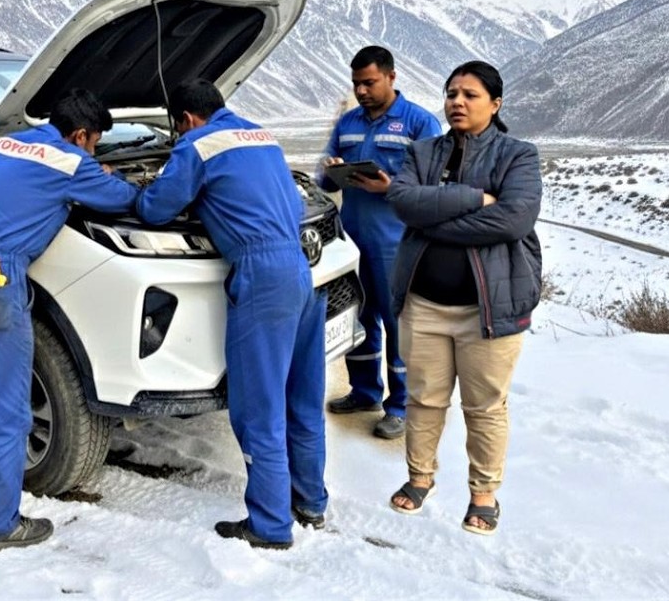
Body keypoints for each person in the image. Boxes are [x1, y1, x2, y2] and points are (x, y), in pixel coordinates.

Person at [0, 88, 138, 553]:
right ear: (80, 135)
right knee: (5, 410)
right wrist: (106, 172)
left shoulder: (6, 144)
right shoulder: (69, 162)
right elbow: (125, 199)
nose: (93, 152)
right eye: (94, 144)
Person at [136, 79, 328, 550]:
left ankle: (269, 526)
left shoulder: (196, 147)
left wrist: (141, 190)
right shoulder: (261, 135)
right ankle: (310, 502)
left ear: (183, 120)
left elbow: (156, 209)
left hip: (260, 278)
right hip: (303, 272)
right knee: (301, 397)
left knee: (257, 408)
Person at [384, 60, 542, 536]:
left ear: (495, 104)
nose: (457, 101)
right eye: (451, 93)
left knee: (485, 406)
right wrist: (476, 200)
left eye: (470, 94)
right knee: (424, 399)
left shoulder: (519, 155)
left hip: (490, 310)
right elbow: (401, 201)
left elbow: (514, 220)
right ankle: (419, 478)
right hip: (424, 305)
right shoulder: (422, 150)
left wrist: (433, 214)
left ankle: (483, 494)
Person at [319, 45, 443, 440]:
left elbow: (434, 186)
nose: (361, 91)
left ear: (391, 77)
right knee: (359, 316)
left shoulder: (420, 124)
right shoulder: (348, 123)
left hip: (398, 243)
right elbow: (324, 179)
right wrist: (333, 170)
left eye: (369, 82)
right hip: (352, 239)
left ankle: (401, 405)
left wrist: (392, 189)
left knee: (399, 324)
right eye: (356, 83)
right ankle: (364, 391)